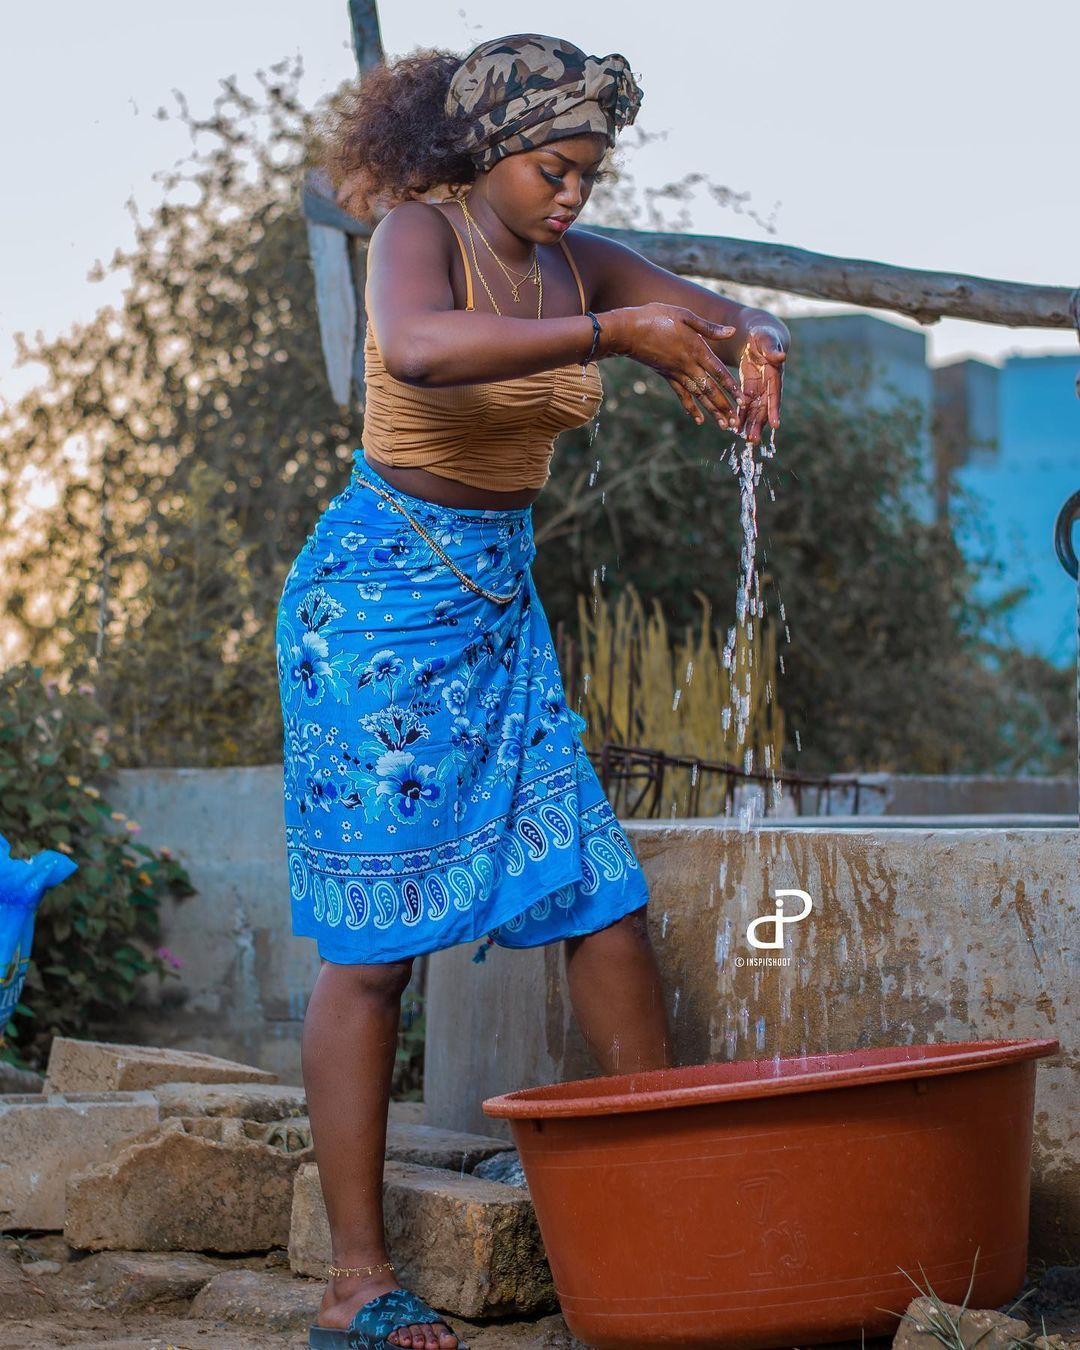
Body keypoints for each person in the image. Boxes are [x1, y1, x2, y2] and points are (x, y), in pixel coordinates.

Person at [278, 32, 789, 1350]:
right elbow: (419, 348)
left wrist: (758, 342)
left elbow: (728, 313)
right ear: (487, 151)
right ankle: (356, 1283)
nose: (572, 195)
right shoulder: (420, 233)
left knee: (597, 896)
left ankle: (667, 1222)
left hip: (499, 612)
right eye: (553, 169)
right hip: (375, 617)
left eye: (589, 174)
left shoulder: (577, 261)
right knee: (376, 949)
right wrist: (617, 332)